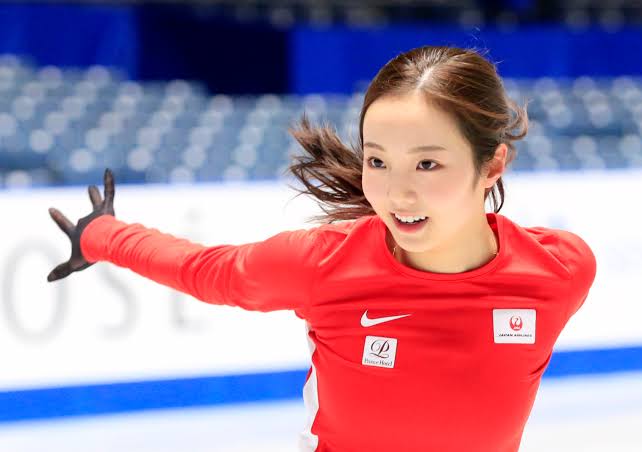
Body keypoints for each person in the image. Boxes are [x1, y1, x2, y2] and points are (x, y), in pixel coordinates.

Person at [47, 46, 597, 452]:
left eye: (427, 164)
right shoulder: (322, 264)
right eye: (378, 161)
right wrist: (100, 236)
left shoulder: (561, 271)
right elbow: (208, 271)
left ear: (492, 164)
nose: (397, 193)